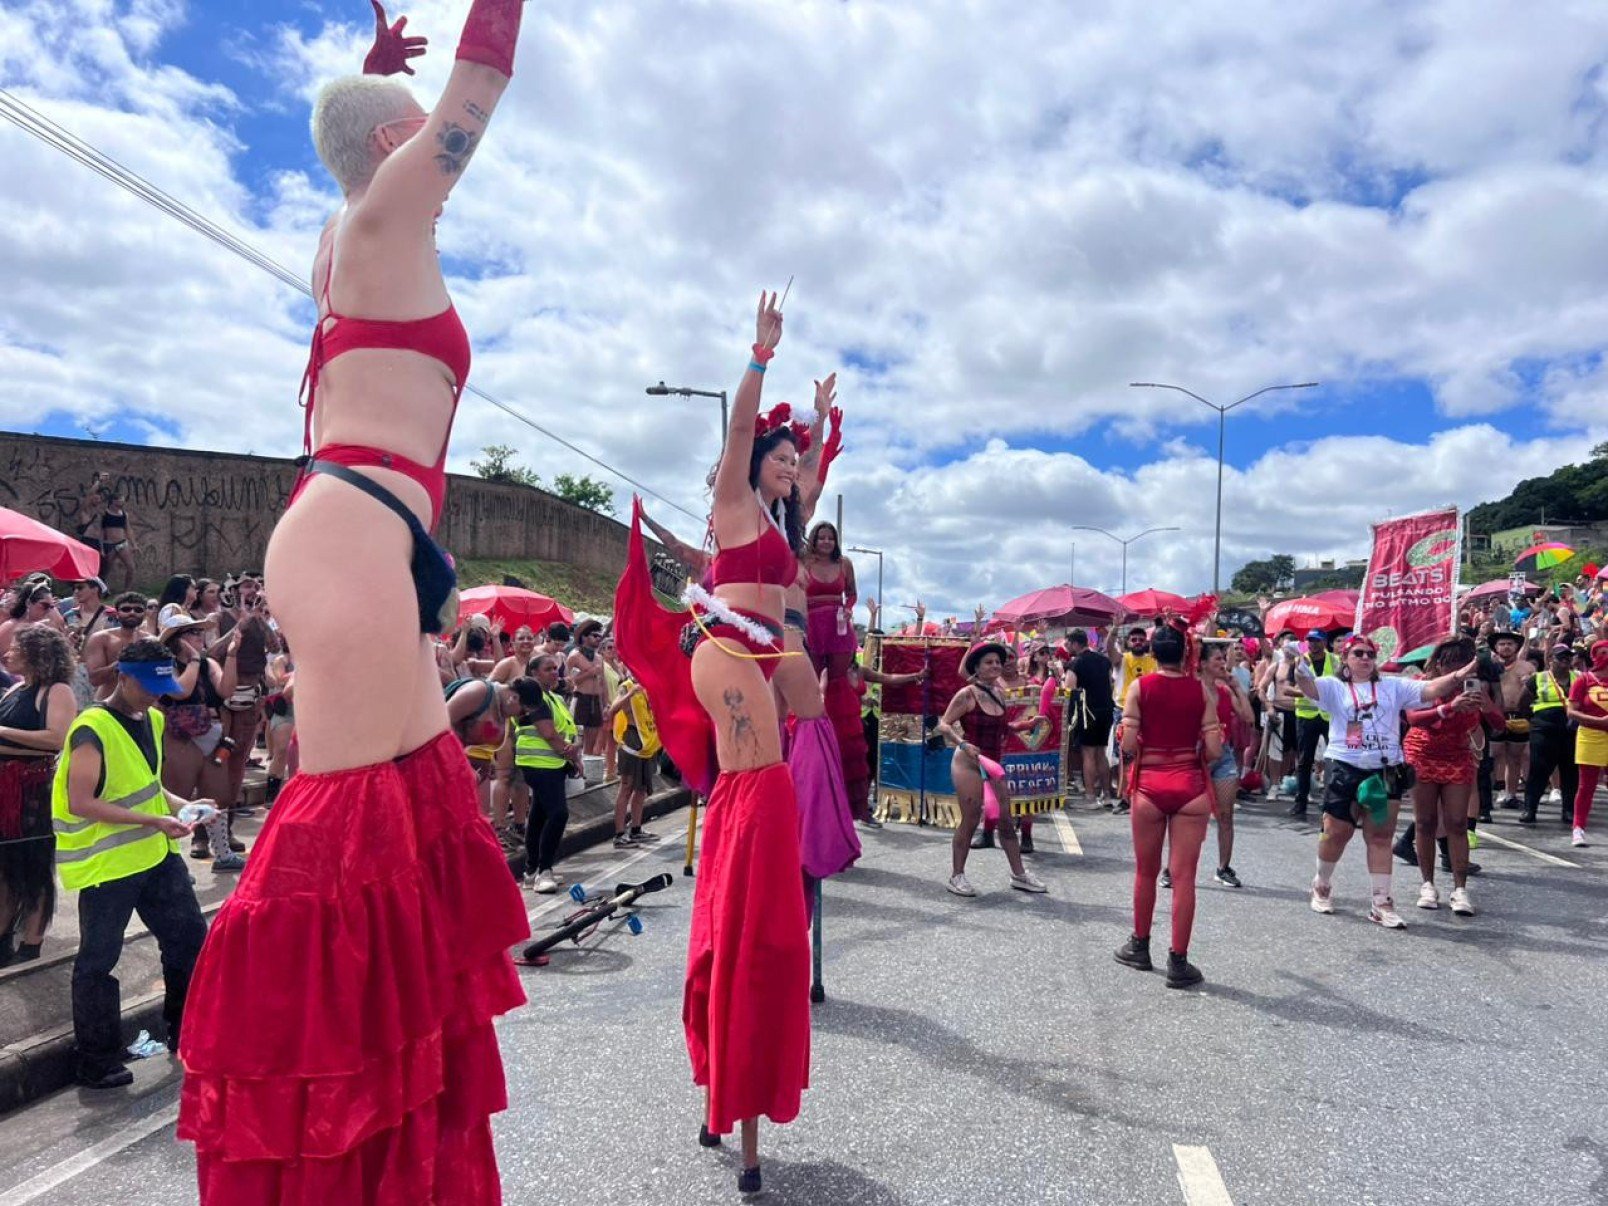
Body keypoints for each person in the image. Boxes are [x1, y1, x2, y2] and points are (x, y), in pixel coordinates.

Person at [177, 4, 531, 1198]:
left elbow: (374, 139)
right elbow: (479, 86)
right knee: (349, 827)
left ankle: (390, 1158)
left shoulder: (348, 234)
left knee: (415, 818)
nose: (441, 148)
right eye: (415, 133)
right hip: (351, 527)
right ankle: (289, 1123)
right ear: (395, 147)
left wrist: (367, 86)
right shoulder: (386, 213)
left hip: (369, 530)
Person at [613, 293, 810, 1196]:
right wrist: (760, 360)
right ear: (752, 461)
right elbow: (737, 435)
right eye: (783, 454)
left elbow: (799, 477)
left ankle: (726, 1077)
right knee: (762, 840)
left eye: (794, 461)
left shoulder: (774, 523)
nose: (790, 467)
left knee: (756, 844)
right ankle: (741, 1090)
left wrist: (819, 432)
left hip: (759, 663)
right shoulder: (734, 498)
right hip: (731, 659)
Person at [52, 638, 208, 1089]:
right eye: (148, 685)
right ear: (123, 677)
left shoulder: (153, 718)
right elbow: (81, 801)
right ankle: (97, 1060)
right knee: (98, 961)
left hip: (155, 857)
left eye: (163, 684)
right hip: (108, 866)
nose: (157, 694)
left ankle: (185, 1032)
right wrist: (154, 820)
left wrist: (184, 806)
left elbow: (149, 784)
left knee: (190, 945)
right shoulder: (92, 727)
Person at [1294, 634, 1474, 928]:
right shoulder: (1334, 686)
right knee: (1336, 832)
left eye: (1370, 654)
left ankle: (1381, 902)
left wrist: (1458, 676)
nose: (1365, 658)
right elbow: (1308, 687)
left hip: (1386, 769)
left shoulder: (1393, 685)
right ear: (1346, 659)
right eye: (1358, 654)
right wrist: (1299, 668)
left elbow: (1430, 689)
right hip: (1344, 765)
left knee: (1380, 837)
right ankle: (1321, 883)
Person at [1114, 619, 1220, 987]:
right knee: (1184, 877)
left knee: (1146, 871)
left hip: (1150, 787)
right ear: (1186, 653)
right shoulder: (1202, 692)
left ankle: (1140, 947)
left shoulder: (1140, 687)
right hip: (1190, 786)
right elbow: (1215, 750)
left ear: (1154, 651)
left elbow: (1128, 746)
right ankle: (1179, 961)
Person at [1399, 638, 1504, 915]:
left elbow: (1499, 725)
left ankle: (1460, 889)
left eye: (1463, 663)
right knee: (1425, 822)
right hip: (1422, 753)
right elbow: (1413, 718)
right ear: (1440, 662)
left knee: (1458, 823)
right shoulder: (1424, 683)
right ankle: (1428, 885)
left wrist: (1485, 705)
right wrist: (1449, 707)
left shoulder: (1476, 689)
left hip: (1458, 756)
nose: (1456, 669)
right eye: (1450, 662)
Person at [935, 641, 1048, 898]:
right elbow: (943, 724)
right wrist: (963, 744)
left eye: (998, 661)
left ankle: (1019, 875)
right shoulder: (967, 694)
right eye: (989, 662)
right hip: (968, 763)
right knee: (972, 819)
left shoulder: (998, 692)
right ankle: (957, 876)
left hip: (993, 763)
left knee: (1006, 821)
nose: (996, 665)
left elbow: (1002, 728)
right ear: (977, 667)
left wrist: (1028, 724)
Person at [0, 626, 75, 964]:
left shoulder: (57, 691)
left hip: (33, 789)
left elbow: (57, 738)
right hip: (6, 788)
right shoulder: (15, 688)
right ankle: (3, 935)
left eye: (16, 647)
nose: (8, 652)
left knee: (34, 865)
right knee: (6, 866)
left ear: (37, 653)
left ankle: (32, 942)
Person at [155, 615, 246, 871]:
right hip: (179, 736)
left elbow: (226, 690)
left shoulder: (208, 664)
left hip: (212, 733)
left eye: (199, 631)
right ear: (178, 639)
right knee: (178, 798)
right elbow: (181, 691)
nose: (199, 636)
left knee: (217, 797)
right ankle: (168, 861)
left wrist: (232, 655)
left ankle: (223, 854)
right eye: (192, 632)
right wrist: (193, 660)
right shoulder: (167, 665)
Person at [511, 659, 580, 892]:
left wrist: (573, 751)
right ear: (534, 673)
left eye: (555, 669)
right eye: (547, 669)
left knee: (539, 815)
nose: (554, 673)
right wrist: (570, 754)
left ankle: (531, 870)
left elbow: (567, 729)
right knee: (558, 813)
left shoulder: (554, 698)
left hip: (554, 763)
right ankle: (544, 870)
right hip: (538, 763)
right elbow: (549, 734)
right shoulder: (532, 698)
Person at [1201, 640, 1254, 889]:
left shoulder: (1224, 692)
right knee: (1188, 816)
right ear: (1203, 665)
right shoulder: (1193, 689)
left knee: (1226, 815)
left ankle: (1223, 867)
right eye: (1218, 660)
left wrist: (1237, 687)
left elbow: (1248, 717)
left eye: (1224, 659)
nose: (1223, 663)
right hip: (1197, 756)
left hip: (1223, 755)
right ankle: (1171, 868)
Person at [1518, 644, 1578, 826]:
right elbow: (1523, 702)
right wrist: (1536, 721)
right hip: (1544, 730)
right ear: (1551, 659)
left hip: (1571, 731)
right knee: (1538, 771)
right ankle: (1530, 809)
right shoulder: (1538, 678)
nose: (1566, 661)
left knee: (1570, 772)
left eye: (1569, 658)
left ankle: (1568, 810)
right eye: (1562, 658)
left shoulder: (1579, 678)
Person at [606, 671, 660, 847]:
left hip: (647, 741)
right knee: (626, 787)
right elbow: (613, 709)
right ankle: (619, 834)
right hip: (631, 741)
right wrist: (630, 693)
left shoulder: (649, 685)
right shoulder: (627, 687)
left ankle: (636, 829)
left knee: (642, 788)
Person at [1064, 629, 1115, 810]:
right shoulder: (1104, 660)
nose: (1066, 647)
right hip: (1106, 710)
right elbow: (1110, 684)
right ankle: (1107, 794)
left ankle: (1091, 796)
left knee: (1088, 754)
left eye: (1068, 643)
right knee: (1101, 752)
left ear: (1076, 643)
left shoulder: (1075, 663)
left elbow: (1069, 689)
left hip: (1087, 712)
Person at [801, 521, 857, 680]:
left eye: (831, 538)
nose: (826, 542)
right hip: (812, 625)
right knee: (813, 677)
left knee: (838, 678)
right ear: (814, 540)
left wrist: (848, 608)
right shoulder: (804, 563)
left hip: (838, 625)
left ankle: (838, 705)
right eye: (821, 538)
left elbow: (852, 594)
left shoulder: (844, 563)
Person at [1290, 630, 1335, 819]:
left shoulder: (1335, 660)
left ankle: (1330, 803)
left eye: (1317, 641)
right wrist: (1309, 692)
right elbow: (1287, 687)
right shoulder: (1298, 661)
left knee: (1334, 760)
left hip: (1328, 715)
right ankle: (1300, 803)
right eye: (1310, 640)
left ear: (1324, 642)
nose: (1313, 644)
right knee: (1304, 761)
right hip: (1306, 715)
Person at [1567, 640, 1608, 847]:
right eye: (1602, 652)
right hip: (1590, 735)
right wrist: (1597, 722)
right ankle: (1578, 828)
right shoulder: (1584, 680)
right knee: (1586, 786)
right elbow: (1571, 711)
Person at [82, 592, 150, 701]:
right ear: (117, 613)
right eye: (126, 609)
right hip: (107, 704)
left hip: (141, 705)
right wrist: (120, 664)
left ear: (145, 614)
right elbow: (95, 679)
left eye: (138, 610)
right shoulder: (101, 638)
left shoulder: (150, 641)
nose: (132, 613)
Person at [1489, 630, 1530, 810]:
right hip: (1495, 715)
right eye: (1502, 644)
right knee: (1494, 755)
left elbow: (1532, 691)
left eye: (1509, 644)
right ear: (1496, 648)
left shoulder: (1526, 667)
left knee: (1515, 758)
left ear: (1516, 647)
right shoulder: (1489, 666)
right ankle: (1492, 792)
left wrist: (1527, 682)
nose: (1506, 647)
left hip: (1518, 716)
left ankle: (1510, 794)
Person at [566, 618, 607, 755]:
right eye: (595, 636)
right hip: (580, 698)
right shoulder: (574, 656)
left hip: (595, 700)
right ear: (584, 637)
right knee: (575, 738)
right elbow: (569, 682)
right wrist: (589, 673)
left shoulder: (599, 658)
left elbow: (603, 683)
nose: (598, 639)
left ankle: (587, 767)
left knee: (592, 740)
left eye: (600, 636)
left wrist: (605, 704)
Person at [0, 582, 60, 660]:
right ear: (28, 603)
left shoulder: (43, 629)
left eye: (51, 607)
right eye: (44, 605)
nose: (48, 611)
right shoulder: (10, 627)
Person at [98, 494, 136, 591]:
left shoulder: (124, 514)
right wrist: (101, 547)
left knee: (131, 567)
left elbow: (128, 529)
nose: (122, 502)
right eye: (120, 500)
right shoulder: (105, 514)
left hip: (122, 543)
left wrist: (134, 544)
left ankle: (126, 590)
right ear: (113, 501)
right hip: (109, 544)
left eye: (122, 500)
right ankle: (102, 590)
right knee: (106, 569)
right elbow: (102, 531)